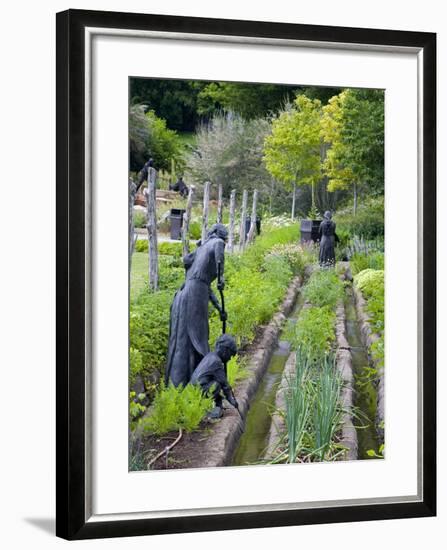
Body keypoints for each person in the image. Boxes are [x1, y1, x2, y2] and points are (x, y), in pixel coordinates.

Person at [165, 223, 228, 387]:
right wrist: (221, 278)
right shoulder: (218, 243)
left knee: (183, 338)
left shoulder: (201, 249)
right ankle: (201, 382)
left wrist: (220, 309)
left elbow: (205, 286)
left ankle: (180, 383)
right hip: (194, 296)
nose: (225, 242)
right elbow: (219, 259)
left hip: (184, 294)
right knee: (198, 339)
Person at [190, 334, 239, 419]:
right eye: (230, 355)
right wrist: (232, 400)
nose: (229, 359)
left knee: (215, 385)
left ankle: (217, 406)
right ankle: (209, 411)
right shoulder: (216, 362)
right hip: (199, 391)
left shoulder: (210, 356)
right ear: (225, 351)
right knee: (216, 385)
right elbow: (224, 384)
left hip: (193, 389)